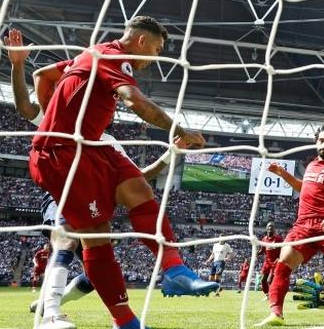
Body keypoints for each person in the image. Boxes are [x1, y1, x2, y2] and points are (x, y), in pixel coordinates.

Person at [27, 17, 216, 329]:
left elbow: (42, 74)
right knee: (95, 239)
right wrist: (179, 129)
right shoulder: (115, 57)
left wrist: (54, 111)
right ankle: (123, 321)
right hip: (62, 154)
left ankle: (175, 271)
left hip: (93, 148)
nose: (154, 58)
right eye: (155, 50)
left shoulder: (91, 54)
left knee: (140, 191)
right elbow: (134, 100)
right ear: (141, 41)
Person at [255, 123, 324, 326]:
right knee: (283, 264)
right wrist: (282, 173)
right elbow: (303, 187)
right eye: (322, 140)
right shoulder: (311, 165)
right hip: (303, 225)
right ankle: (276, 314)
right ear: (316, 142)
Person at [258, 222, 283, 296]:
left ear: (274, 229)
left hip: (275, 262)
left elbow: (283, 250)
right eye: (268, 227)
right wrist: (256, 252)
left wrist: (279, 258)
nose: (270, 228)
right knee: (263, 280)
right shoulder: (264, 239)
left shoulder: (278, 239)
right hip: (267, 263)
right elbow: (262, 250)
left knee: (270, 280)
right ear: (266, 229)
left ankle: (274, 294)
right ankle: (267, 295)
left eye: (271, 227)